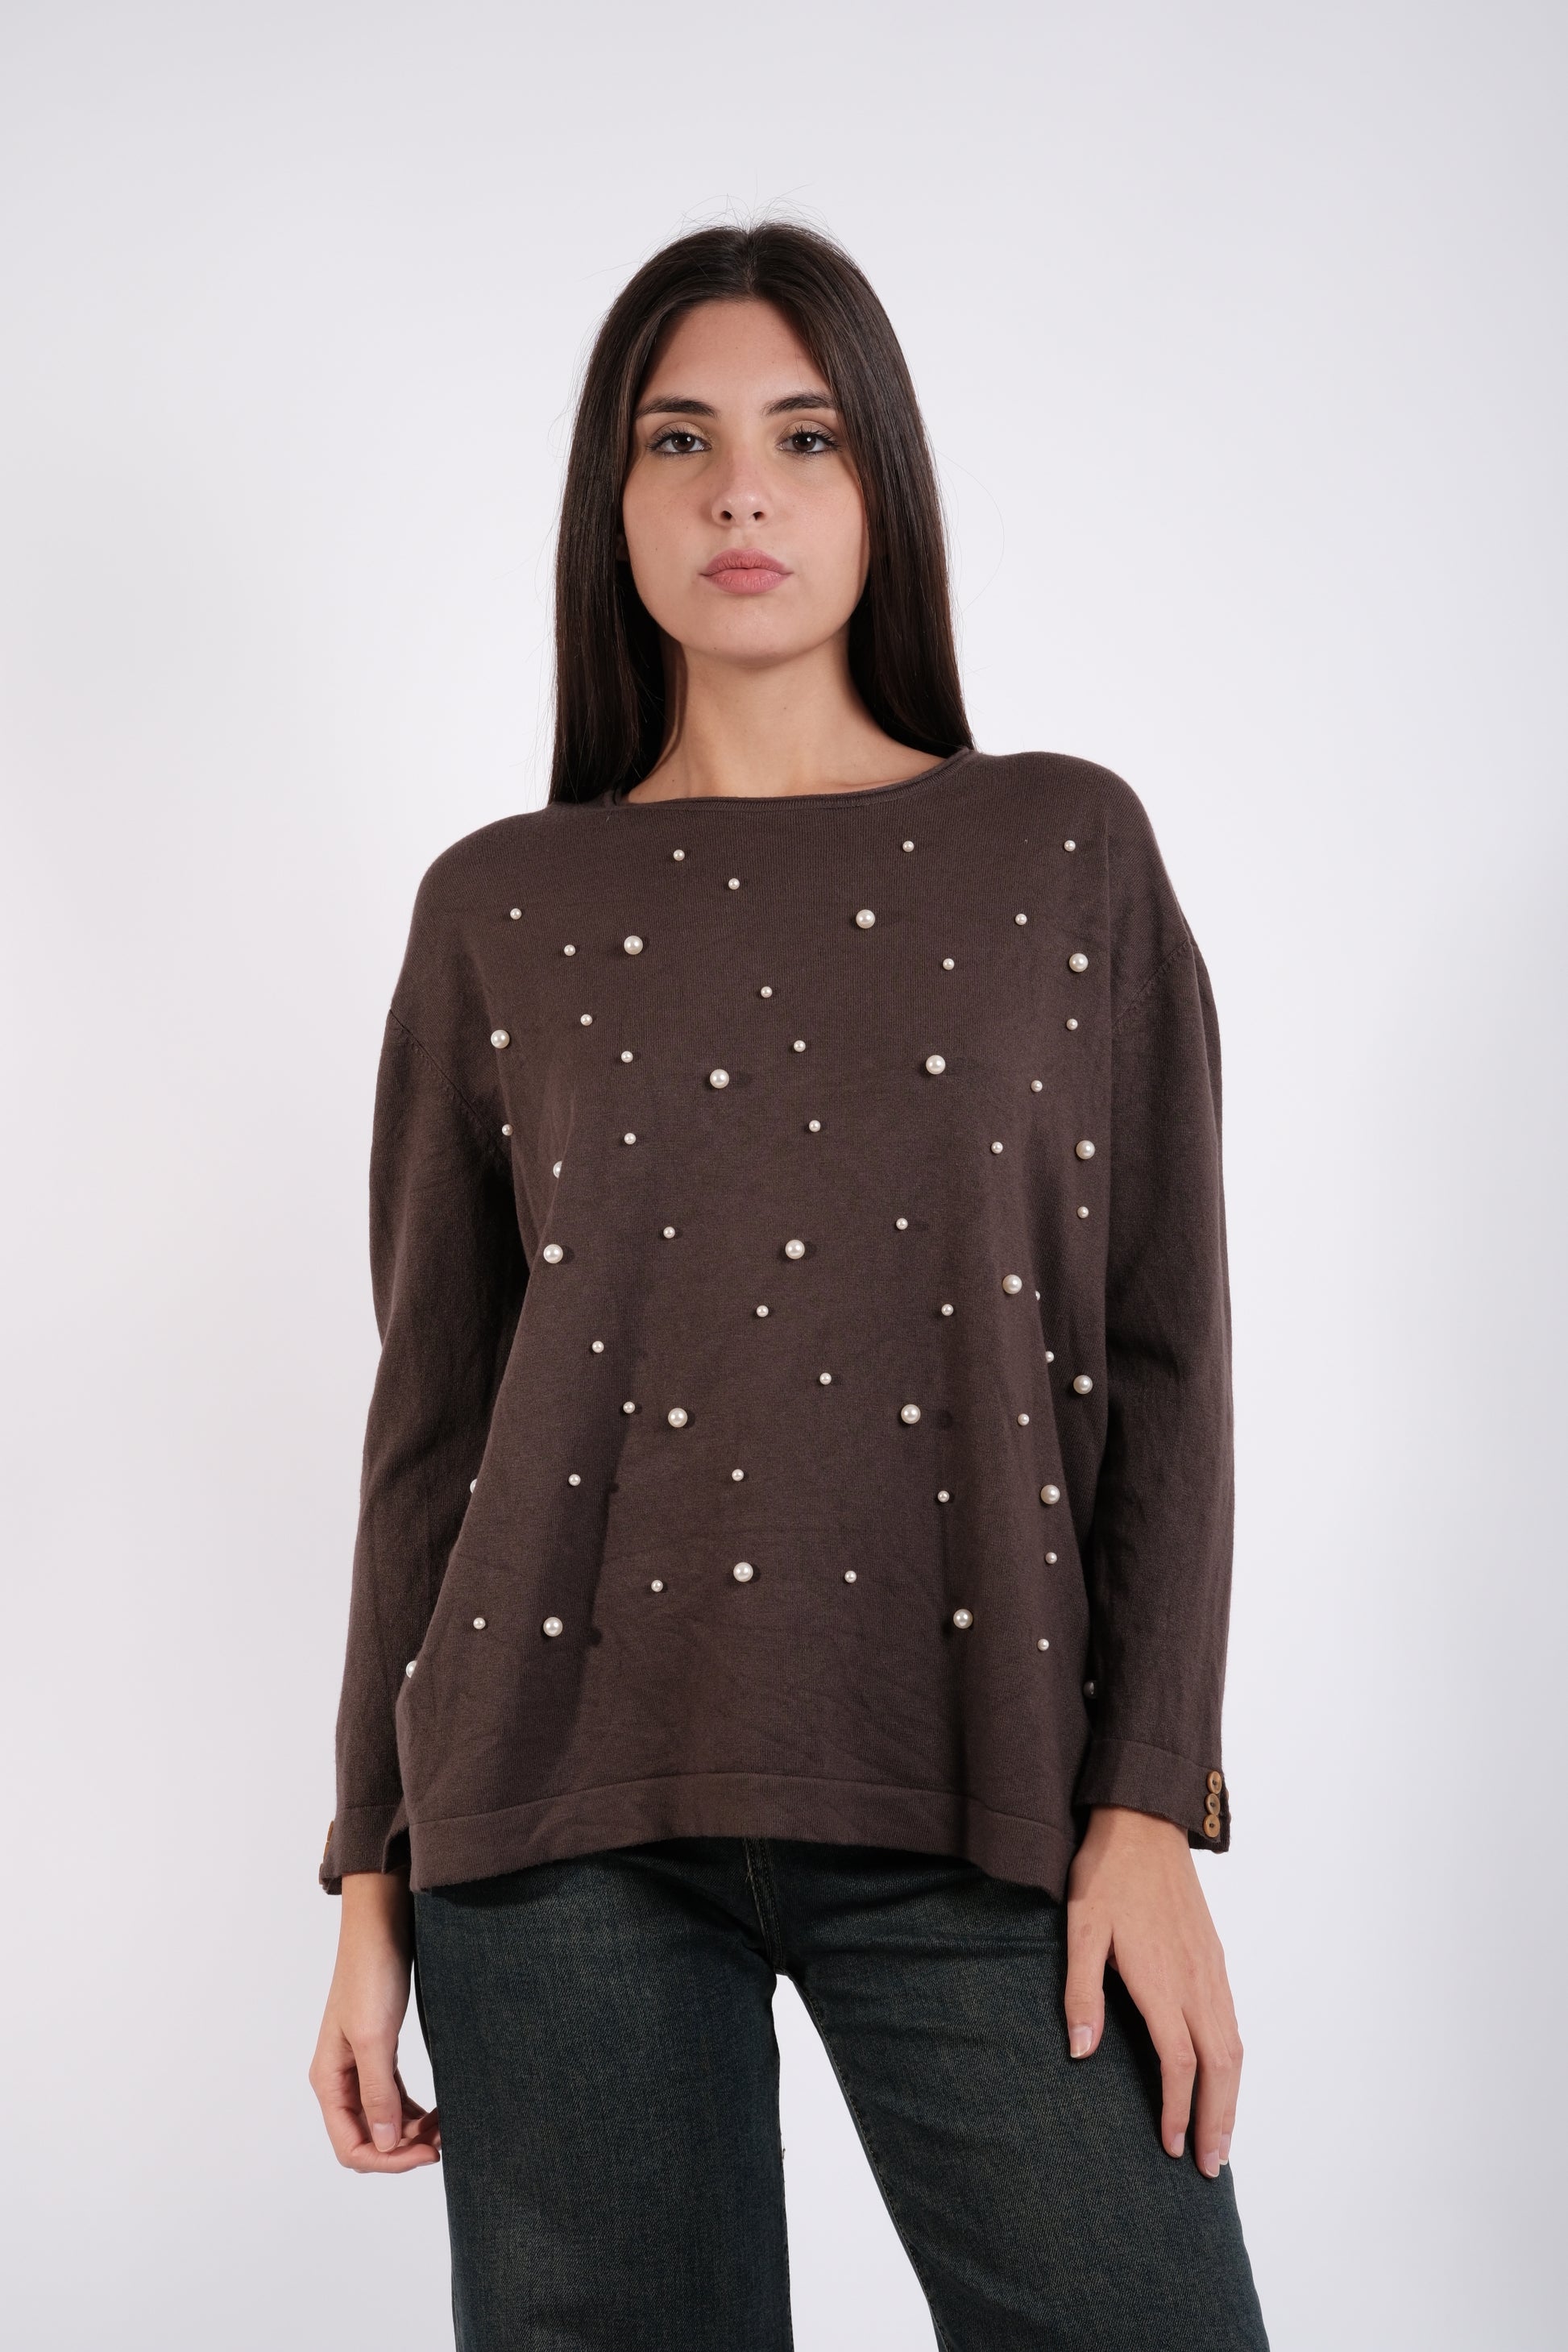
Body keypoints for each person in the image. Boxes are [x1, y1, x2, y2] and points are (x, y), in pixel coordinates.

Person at [309, 220, 1269, 2352]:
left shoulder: (1066, 854)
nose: (739, 490)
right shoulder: (500, 908)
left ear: (880, 486)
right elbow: (433, 1429)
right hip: (551, 1831)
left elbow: (1169, 1366)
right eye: (680, 440)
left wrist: (1147, 1809)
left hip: (986, 1794)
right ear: (614, 499)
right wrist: (370, 1877)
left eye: (803, 436)